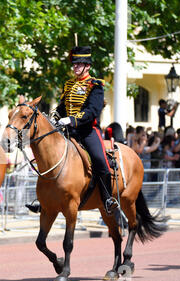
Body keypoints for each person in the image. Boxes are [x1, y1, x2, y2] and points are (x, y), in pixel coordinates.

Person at [55, 46, 120, 217]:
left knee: (101, 162)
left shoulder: (95, 85)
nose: (75, 67)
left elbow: (93, 110)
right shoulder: (68, 84)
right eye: (74, 64)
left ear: (87, 66)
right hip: (68, 132)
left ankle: (107, 199)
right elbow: (62, 108)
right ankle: (46, 199)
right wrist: (54, 117)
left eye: (79, 64)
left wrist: (72, 119)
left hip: (87, 131)